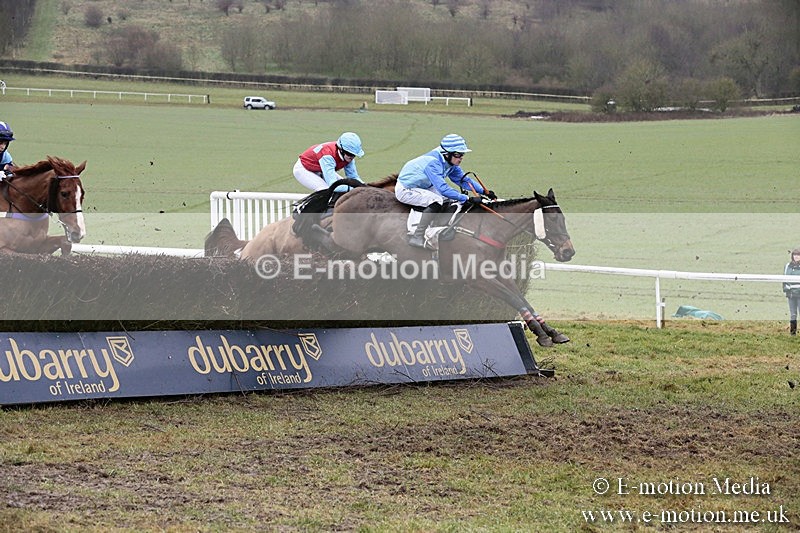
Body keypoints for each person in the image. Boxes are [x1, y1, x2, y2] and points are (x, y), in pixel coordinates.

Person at [396, 133, 496, 248]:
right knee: (436, 200)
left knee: (451, 199)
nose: (461, 158)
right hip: (406, 189)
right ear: (447, 154)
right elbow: (443, 189)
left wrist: (485, 192)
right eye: (458, 154)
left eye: (462, 154)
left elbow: (463, 180)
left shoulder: (450, 162)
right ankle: (417, 236)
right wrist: (468, 198)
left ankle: (438, 227)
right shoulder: (433, 163)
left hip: (425, 186)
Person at [294, 132, 365, 192]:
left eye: (354, 155)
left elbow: (353, 177)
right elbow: (333, 186)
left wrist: (365, 186)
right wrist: (356, 188)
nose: (351, 157)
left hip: (321, 168)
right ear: (341, 150)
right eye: (349, 154)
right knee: (325, 190)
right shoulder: (328, 156)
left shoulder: (348, 156)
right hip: (303, 169)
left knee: (344, 185)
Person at [783, 248, 800, 336]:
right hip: (791, 295)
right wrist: (787, 290)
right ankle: (793, 333)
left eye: (798, 255)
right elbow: (785, 279)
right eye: (795, 255)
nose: (796, 257)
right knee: (793, 314)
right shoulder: (787, 266)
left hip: (799, 294)